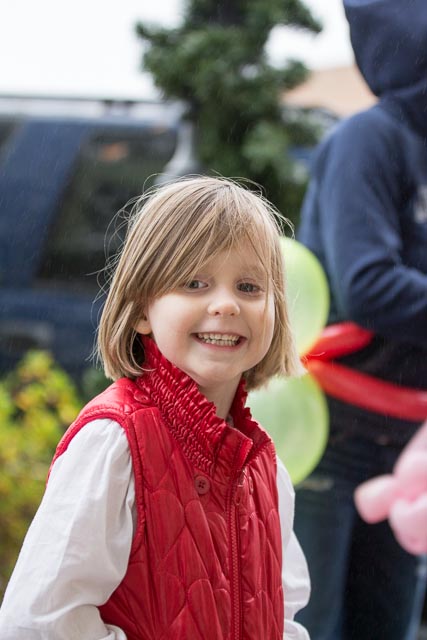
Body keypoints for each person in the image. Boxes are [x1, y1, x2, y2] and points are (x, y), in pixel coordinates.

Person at [0, 176, 311, 640]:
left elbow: (282, 615)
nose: (225, 304)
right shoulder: (115, 444)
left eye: (249, 286)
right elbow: (38, 622)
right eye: (194, 283)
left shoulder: (264, 467)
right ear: (143, 309)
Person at [293, 0, 427, 639]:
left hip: (409, 446)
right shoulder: (369, 141)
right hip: (333, 434)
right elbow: (369, 286)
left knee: (389, 626)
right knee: (311, 625)